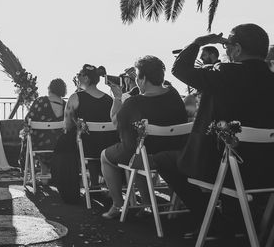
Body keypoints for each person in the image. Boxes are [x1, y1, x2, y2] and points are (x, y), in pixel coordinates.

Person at [154, 24, 274, 236]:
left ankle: (213, 220)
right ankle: (234, 219)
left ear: (237, 49)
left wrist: (199, 42)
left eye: (228, 45)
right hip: (267, 170)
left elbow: (179, 70)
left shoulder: (224, 73)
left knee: (164, 159)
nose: (226, 50)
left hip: (222, 167)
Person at [100, 56, 188, 219]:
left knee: (106, 156)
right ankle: (152, 203)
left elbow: (115, 122)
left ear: (144, 79)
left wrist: (118, 98)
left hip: (145, 156)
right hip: (173, 153)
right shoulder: (174, 95)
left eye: (137, 77)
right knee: (140, 151)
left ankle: (117, 205)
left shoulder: (134, 102)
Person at [64, 64, 115, 183]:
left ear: (86, 78)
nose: (77, 77)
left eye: (79, 75)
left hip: (86, 147)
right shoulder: (109, 100)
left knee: (69, 140)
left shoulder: (75, 98)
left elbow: (67, 125)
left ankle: (73, 181)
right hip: (108, 146)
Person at [19, 78, 66, 176]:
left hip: (39, 143)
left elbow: (28, 119)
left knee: (28, 137)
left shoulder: (41, 101)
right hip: (60, 144)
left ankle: (30, 172)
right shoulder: (66, 105)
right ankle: (46, 171)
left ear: (50, 88)